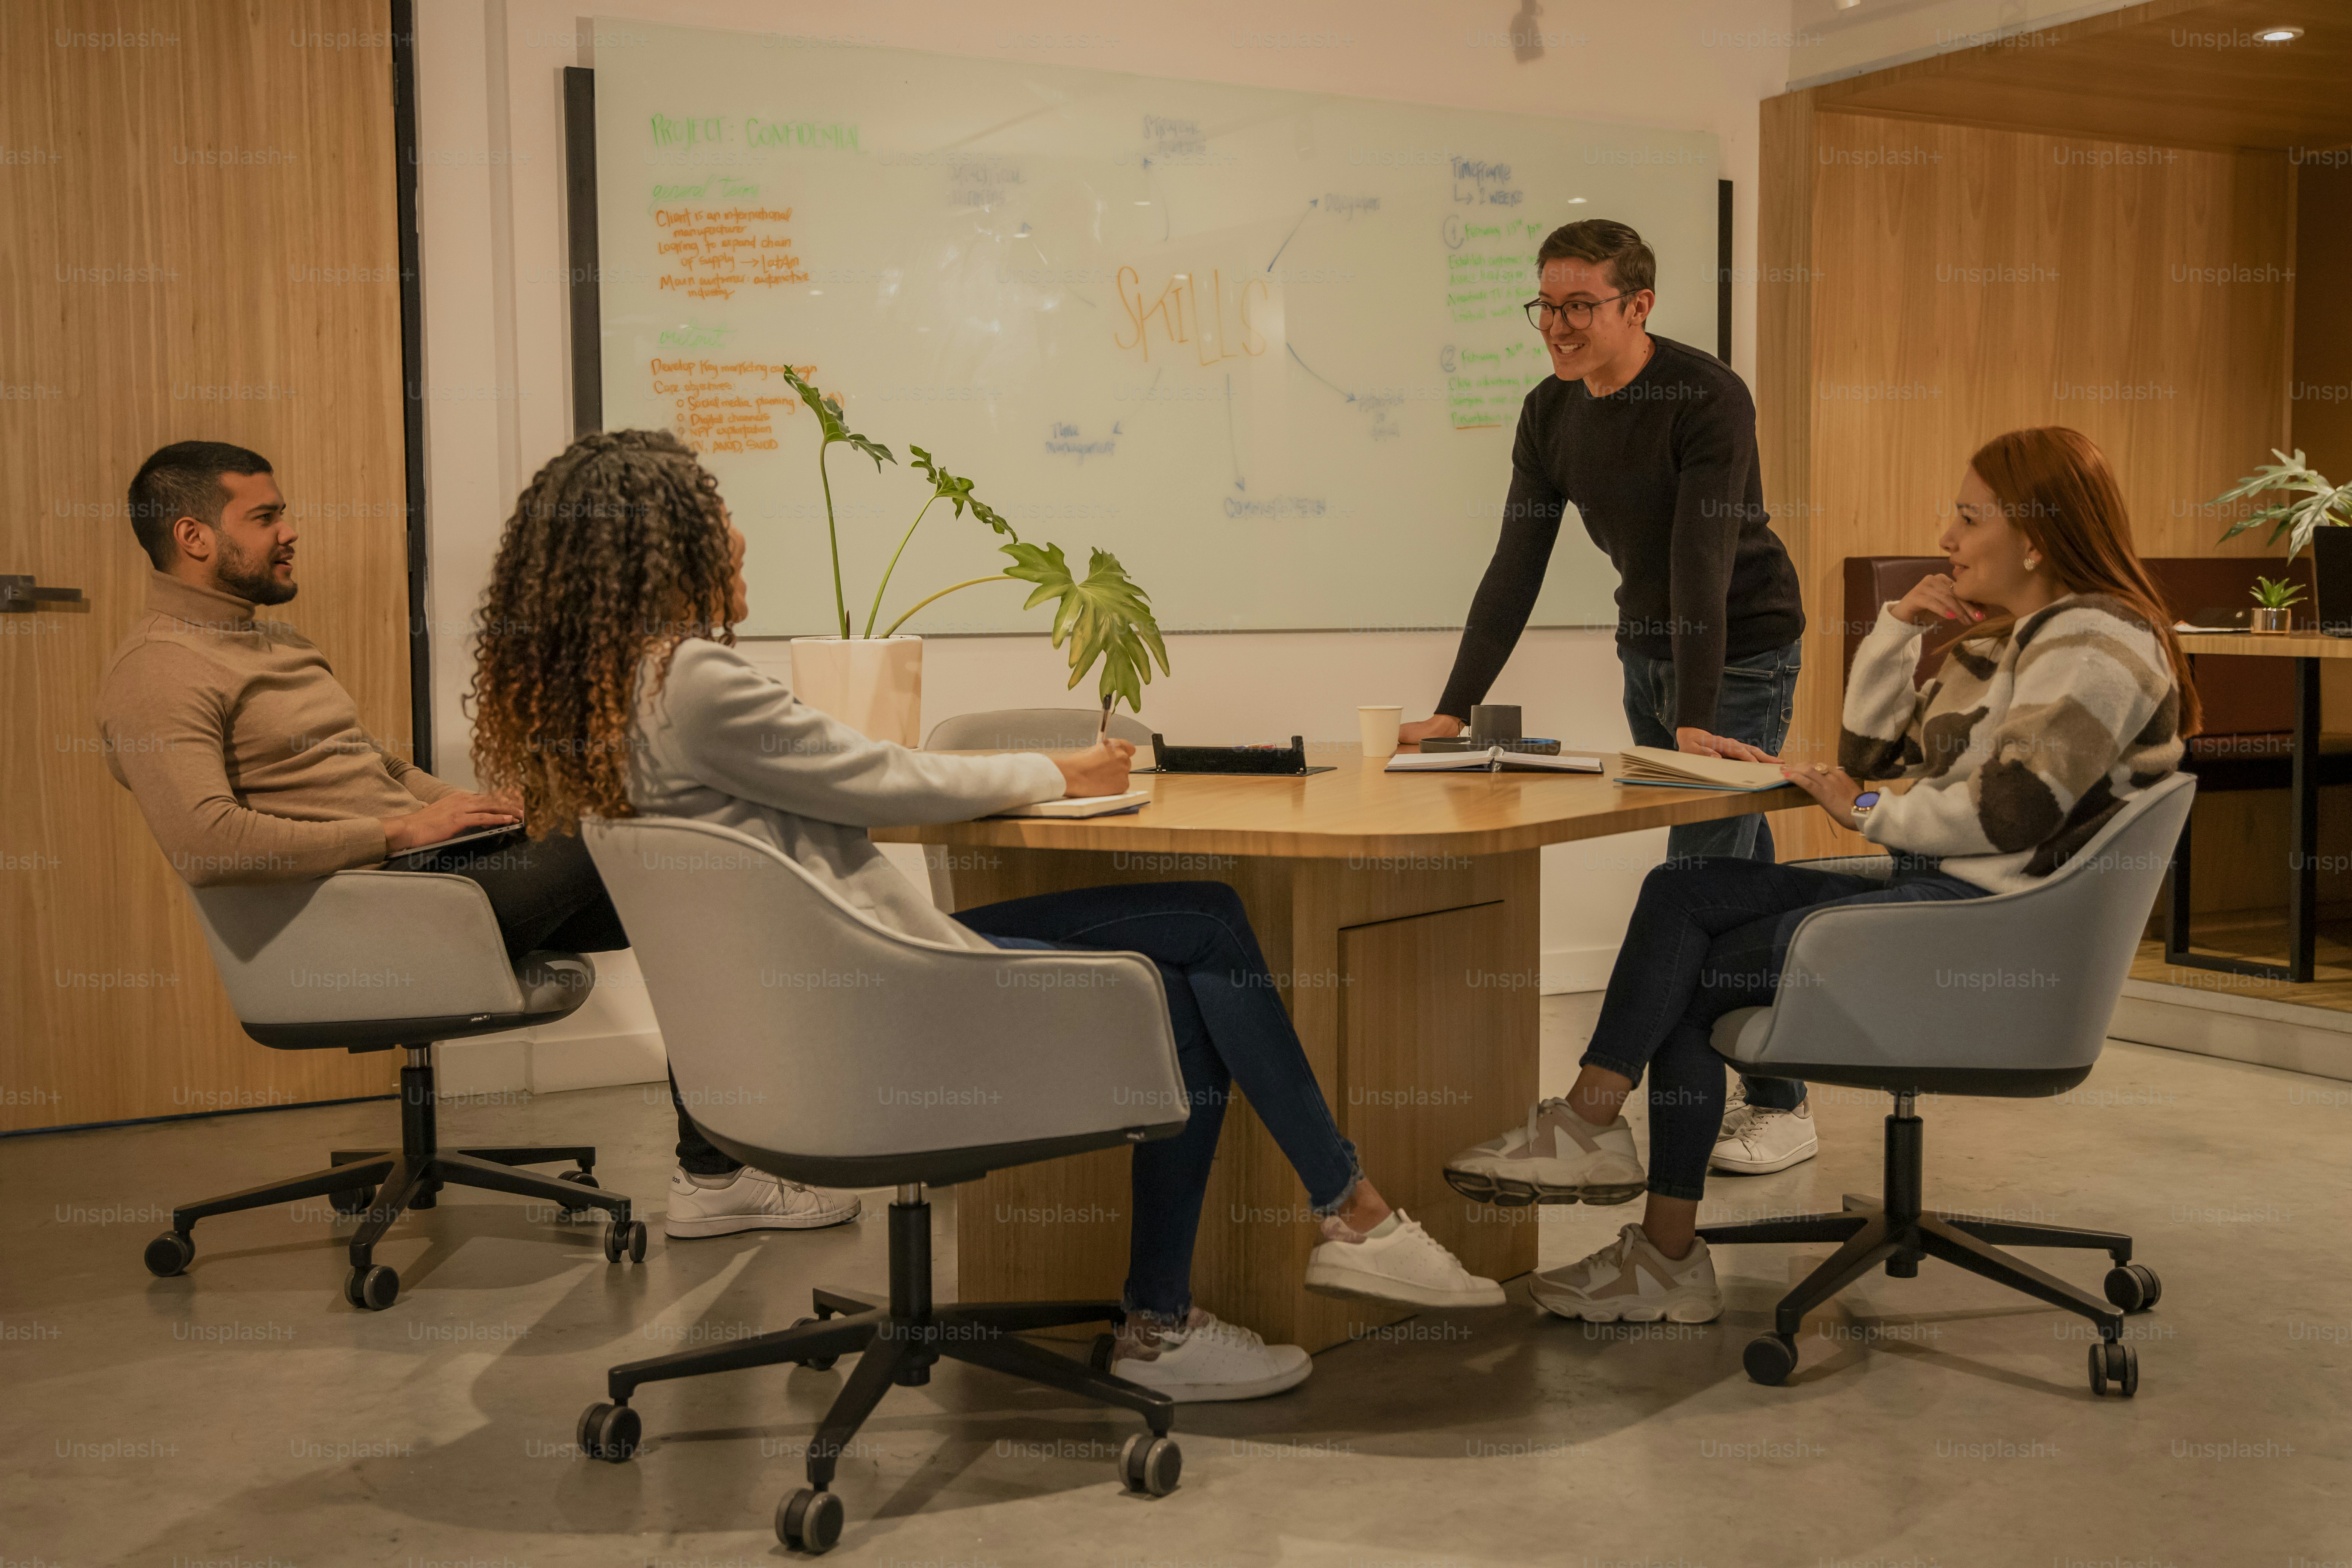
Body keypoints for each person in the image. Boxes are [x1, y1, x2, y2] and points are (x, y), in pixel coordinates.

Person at [466, 428, 1503, 1403]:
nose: (735, 531)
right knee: (1203, 931)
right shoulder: (689, 681)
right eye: (716, 512)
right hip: (887, 1014)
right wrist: (1063, 770)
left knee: (1189, 958)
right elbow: (883, 776)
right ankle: (1319, 1232)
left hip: (803, 1035)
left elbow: (845, 778)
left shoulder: (604, 703)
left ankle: (1219, 1291)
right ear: (664, 545)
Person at [1443, 427, 2194, 1322]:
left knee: (1691, 974)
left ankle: (1642, 1217)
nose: (1945, 538)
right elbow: (1869, 755)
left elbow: (2008, 811)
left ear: (2033, 537)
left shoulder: (2097, 641)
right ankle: (1597, 1140)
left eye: (1967, 518)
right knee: (1682, 891)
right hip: (1941, 893)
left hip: (1989, 932)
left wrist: (1866, 810)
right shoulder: (2004, 644)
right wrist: (1893, 634)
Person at [93, 439, 857, 1240]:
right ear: (194, 537)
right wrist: (400, 828)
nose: (290, 531)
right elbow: (207, 842)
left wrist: (468, 806)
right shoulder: (159, 671)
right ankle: (721, 1173)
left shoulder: (272, 642)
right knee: (649, 830)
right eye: (265, 517)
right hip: (359, 918)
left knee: (699, 891)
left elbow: (378, 767)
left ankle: (719, 1173)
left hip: (424, 880)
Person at [1402, 218, 1820, 1178]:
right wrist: (1453, 708)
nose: (1556, 326)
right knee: (1733, 868)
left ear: (1638, 306)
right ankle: (1782, 1098)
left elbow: (1700, 562)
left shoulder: (1705, 397)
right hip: (1647, 655)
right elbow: (1515, 565)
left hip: (1740, 650)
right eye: (1545, 306)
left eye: (1579, 306)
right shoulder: (1549, 411)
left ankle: (1606, 1110)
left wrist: (1697, 720)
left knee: (1692, 883)